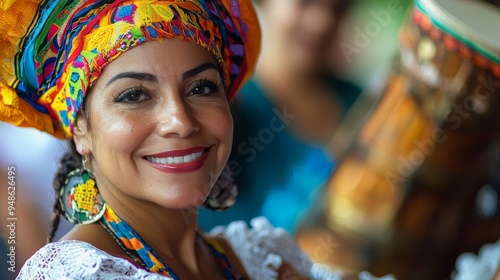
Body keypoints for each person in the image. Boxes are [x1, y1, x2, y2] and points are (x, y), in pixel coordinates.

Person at [0, 0, 387, 279]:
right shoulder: (78, 275)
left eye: (201, 87)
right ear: (80, 128)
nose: (180, 121)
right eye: (134, 95)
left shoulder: (258, 259)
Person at [199, 0, 362, 232]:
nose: (322, 23)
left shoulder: (360, 102)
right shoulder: (229, 109)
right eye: (305, 4)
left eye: (339, 8)